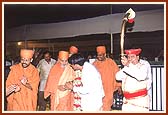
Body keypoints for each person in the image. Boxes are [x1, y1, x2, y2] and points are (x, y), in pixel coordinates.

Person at [93, 46, 121, 111]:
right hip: (98, 90)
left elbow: (117, 74)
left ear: (105, 54)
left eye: (100, 55)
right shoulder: (94, 64)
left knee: (107, 106)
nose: (99, 57)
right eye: (98, 55)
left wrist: (119, 86)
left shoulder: (111, 62)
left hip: (108, 89)